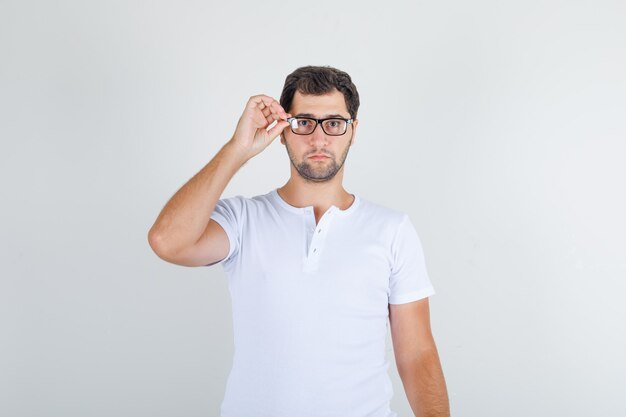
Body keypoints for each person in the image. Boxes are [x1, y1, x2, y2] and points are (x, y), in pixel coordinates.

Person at [148, 65, 450, 417]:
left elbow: (416, 354)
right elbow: (168, 241)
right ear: (282, 131)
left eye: (334, 124)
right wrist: (238, 148)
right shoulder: (243, 220)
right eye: (303, 122)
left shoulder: (392, 229)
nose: (319, 139)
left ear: (353, 132)